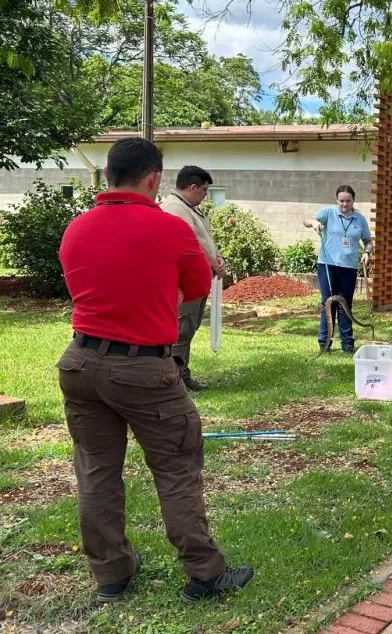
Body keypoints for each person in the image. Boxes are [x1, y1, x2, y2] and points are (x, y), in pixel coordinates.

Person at [57, 137, 254, 604]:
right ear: (155, 179)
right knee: (176, 468)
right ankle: (206, 574)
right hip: (144, 368)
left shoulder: (76, 229)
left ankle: (111, 575)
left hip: (80, 363)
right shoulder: (170, 229)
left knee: (97, 472)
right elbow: (192, 287)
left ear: (107, 176)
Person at [161, 165, 224, 392]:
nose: (205, 195)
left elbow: (202, 239)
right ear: (193, 187)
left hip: (194, 281)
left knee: (188, 328)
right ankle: (174, 380)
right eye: (204, 191)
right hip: (182, 282)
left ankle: (182, 375)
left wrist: (216, 258)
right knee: (181, 330)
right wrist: (212, 261)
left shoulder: (187, 208)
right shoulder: (174, 208)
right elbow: (190, 243)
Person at [303, 185, 373, 354]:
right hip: (327, 265)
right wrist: (314, 223)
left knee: (345, 305)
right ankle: (324, 343)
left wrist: (367, 253)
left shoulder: (359, 219)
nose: (344, 204)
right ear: (336, 200)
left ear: (353, 201)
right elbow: (307, 220)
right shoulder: (328, 213)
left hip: (348, 268)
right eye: (341, 201)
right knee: (328, 303)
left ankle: (347, 344)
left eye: (348, 201)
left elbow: (368, 241)